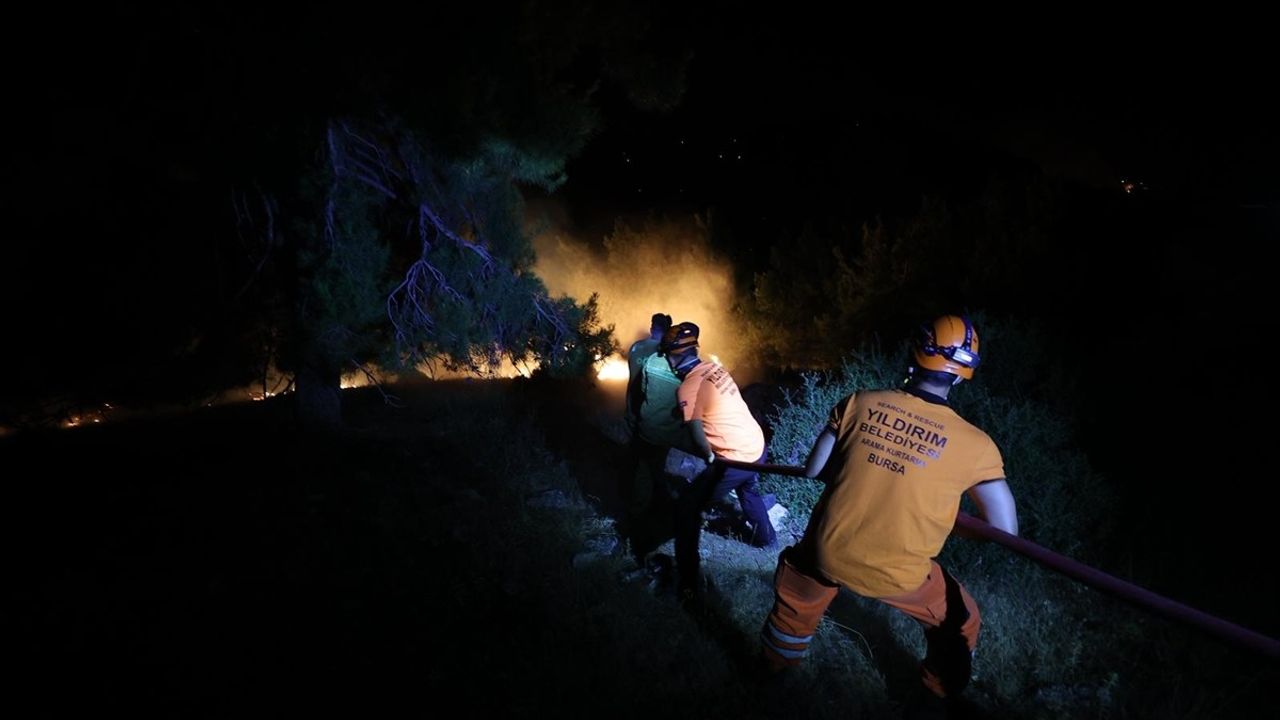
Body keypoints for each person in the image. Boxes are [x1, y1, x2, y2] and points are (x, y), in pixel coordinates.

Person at [759, 315, 1018, 707]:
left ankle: (772, 674)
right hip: (898, 572)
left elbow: (813, 470)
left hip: (828, 550)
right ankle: (934, 697)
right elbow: (1004, 530)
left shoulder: (859, 402)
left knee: (799, 588)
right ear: (964, 374)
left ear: (916, 352)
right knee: (962, 621)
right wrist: (949, 520)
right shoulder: (978, 446)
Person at [660, 321, 777, 604]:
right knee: (748, 491)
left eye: (666, 354)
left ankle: (689, 583)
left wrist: (710, 457)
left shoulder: (687, 387)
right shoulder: (715, 368)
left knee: (689, 507)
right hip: (756, 446)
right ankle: (768, 541)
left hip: (736, 457)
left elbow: (697, 435)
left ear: (675, 356)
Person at [622, 313, 684, 558]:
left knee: (638, 457)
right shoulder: (667, 355)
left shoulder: (638, 348)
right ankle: (652, 504)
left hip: (635, 411)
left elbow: (632, 380)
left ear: (651, 327)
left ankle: (643, 501)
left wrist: (628, 409)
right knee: (652, 460)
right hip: (657, 421)